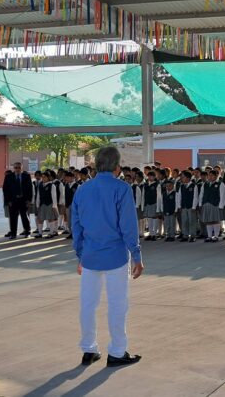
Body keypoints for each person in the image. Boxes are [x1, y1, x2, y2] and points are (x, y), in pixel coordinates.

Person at [71, 146, 142, 367]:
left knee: (88, 304)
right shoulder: (122, 188)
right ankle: (117, 352)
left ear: (95, 165)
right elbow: (128, 225)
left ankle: (88, 349)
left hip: (90, 256)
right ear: (118, 167)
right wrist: (137, 254)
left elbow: (76, 225)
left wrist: (80, 254)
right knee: (117, 303)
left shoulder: (83, 190)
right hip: (116, 257)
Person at [5, 162, 33, 239]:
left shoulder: (26, 176)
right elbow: (5, 189)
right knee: (13, 218)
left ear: (22, 168)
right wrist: (8, 201)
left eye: (19, 168)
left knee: (25, 217)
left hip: (23, 200)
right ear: (13, 168)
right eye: (16, 167)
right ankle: (13, 234)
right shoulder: (9, 177)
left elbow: (30, 188)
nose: (17, 169)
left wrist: (29, 200)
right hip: (13, 201)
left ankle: (27, 232)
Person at [177, 171, 199, 243]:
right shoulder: (182, 186)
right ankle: (185, 235)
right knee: (184, 221)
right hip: (184, 206)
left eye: (183, 177)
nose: (181, 178)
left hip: (191, 206)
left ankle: (193, 235)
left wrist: (194, 207)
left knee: (192, 221)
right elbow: (179, 196)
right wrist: (179, 206)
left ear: (188, 178)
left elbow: (195, 197)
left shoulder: (193, 186)